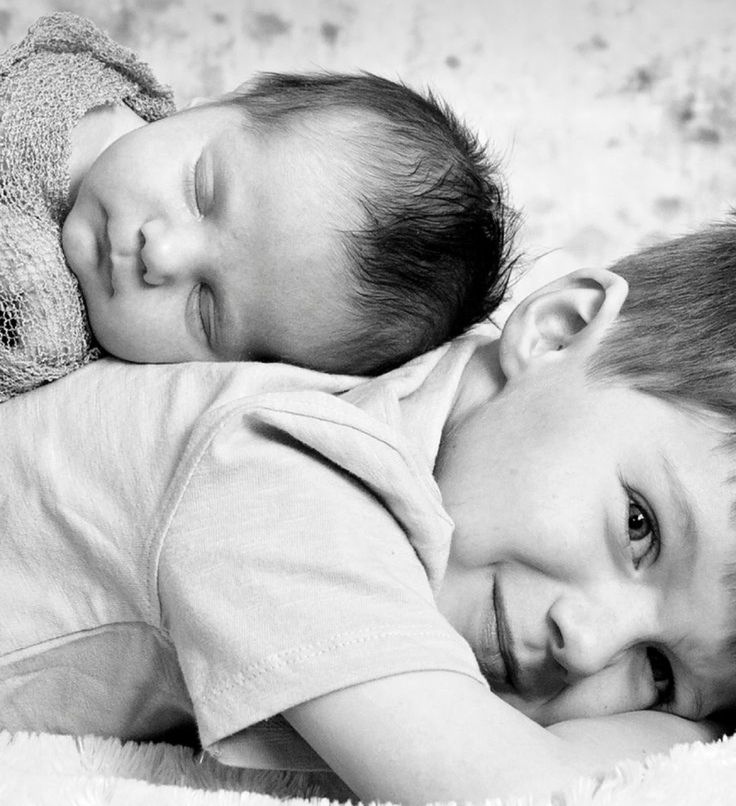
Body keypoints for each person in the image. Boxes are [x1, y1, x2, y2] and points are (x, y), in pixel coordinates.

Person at [3, 218, 735, 802]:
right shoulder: (292, 482)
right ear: (558, 331)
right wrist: (700, 734)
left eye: (661, 676)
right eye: (640, 527)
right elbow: (516, 791)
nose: (589, 643)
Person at [0, 12, 514, 402]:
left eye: (205, 309)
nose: (162, 254)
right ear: (213, 104)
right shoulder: (68, 101)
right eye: (200, 193)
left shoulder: (67, 364)